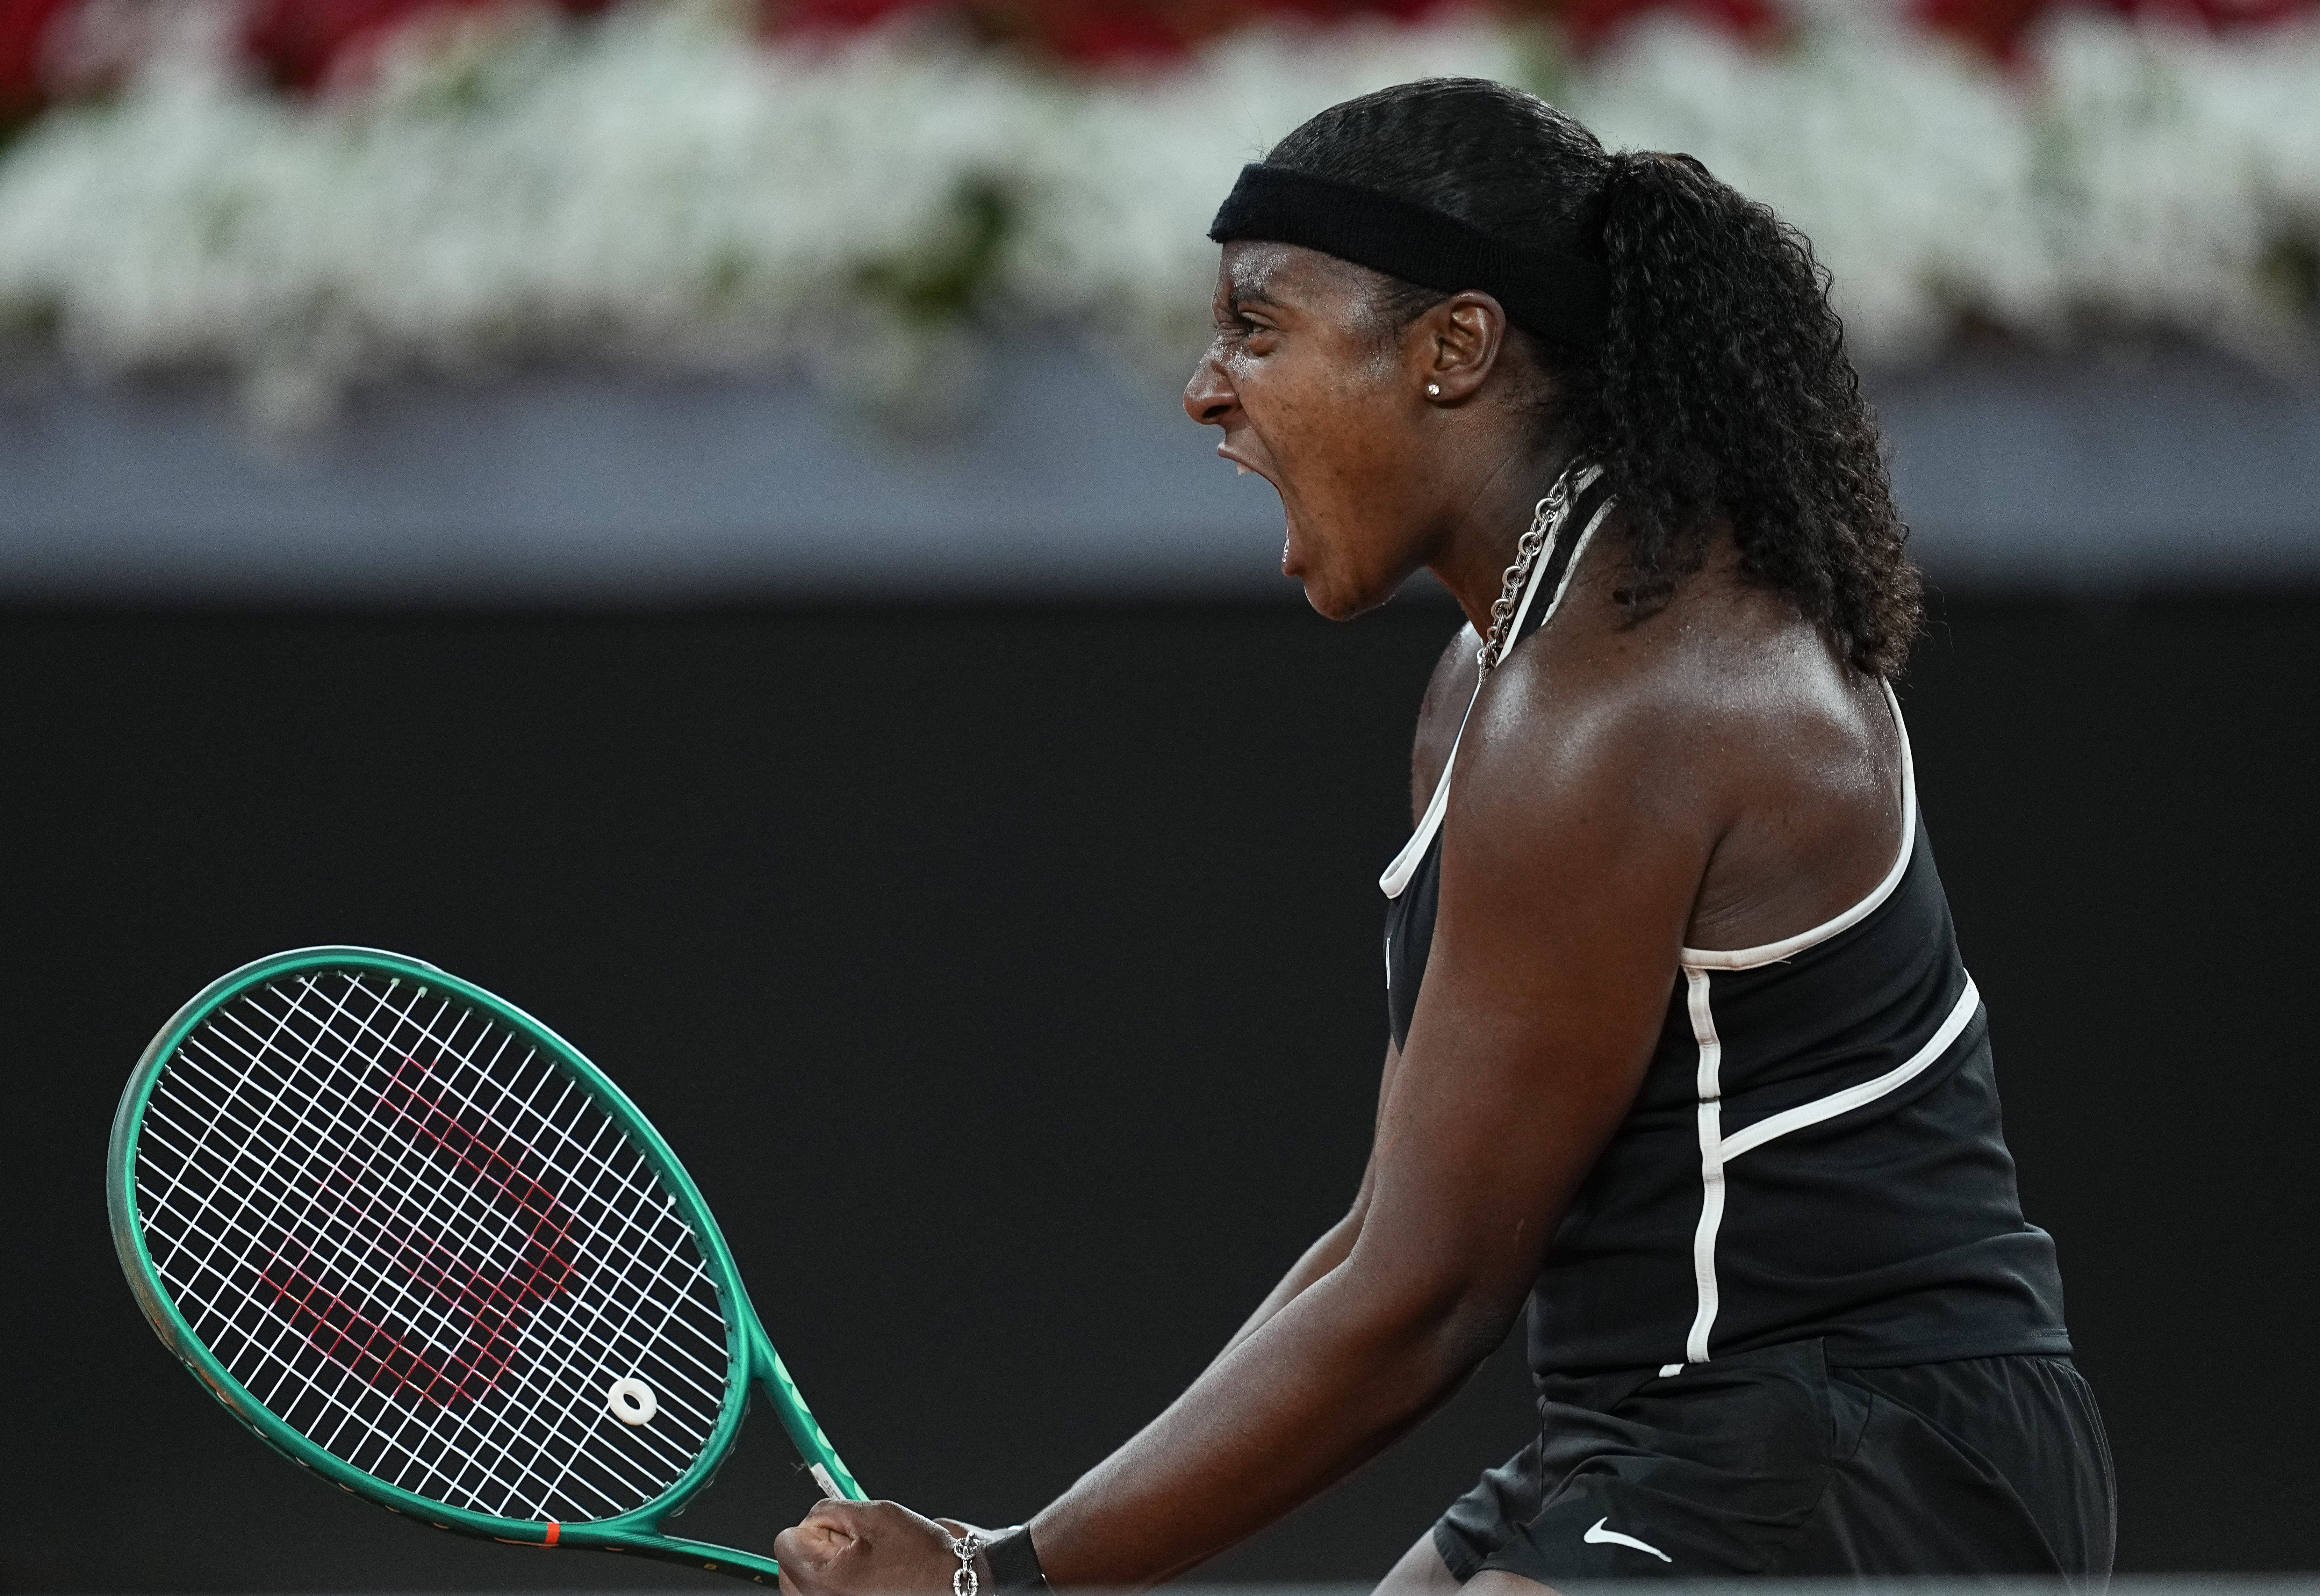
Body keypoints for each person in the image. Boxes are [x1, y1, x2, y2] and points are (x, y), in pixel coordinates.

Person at [775, 78, 2115, 1595]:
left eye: (1259, 327)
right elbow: (1382, 1235)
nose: (1208, 385)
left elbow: (1430, 1298)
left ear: (1452, 349)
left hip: (1871, 1450)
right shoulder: (1498, 676)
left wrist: (1001, 1573)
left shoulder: (1628, 697)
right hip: (1663, 1430)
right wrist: (999, 1558)